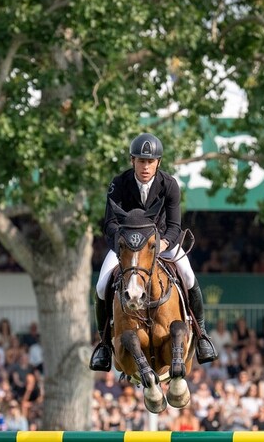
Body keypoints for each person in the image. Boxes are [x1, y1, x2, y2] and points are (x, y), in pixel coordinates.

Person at [88, 133, 217, 371]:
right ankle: (105, 345)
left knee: (188, 276)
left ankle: (201, 336)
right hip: (127, 247)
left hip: (161, 243)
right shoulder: (119, 184)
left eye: (150, 161)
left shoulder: (169, 185)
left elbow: (175, 226)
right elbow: (109, 224)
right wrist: (123, 245)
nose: (145, 166)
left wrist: (164, 244)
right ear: (132, 161)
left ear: (158, 162)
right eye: (140, 161)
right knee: (101, 285)